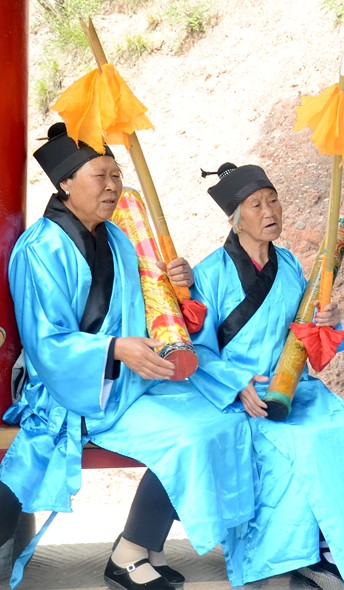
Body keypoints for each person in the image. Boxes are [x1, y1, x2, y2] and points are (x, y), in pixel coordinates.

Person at [0, 123, 257, 590]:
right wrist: (115, 348)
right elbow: (47, 343)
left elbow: (153, 307)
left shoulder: (119, 239)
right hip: (75, 392)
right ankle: (129, 556)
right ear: (65, 183)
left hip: (132, 378)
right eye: (100, 176)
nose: (113, 186)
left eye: (117, 175)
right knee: (189, 435)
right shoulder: (39, 248)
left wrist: (178, 285)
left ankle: (140, 544)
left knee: (224, 418)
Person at [181, 163, 344, 589]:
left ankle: (340, 548)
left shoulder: (291, 264)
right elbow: (198, 350)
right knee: (303, 445)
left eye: (274, 200)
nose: (270, 211)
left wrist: (327, 321)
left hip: (297, 388)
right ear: (234, 219)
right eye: (256, 205)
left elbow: (307, 337)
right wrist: (237, 385)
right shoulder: (209, 273)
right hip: (248, 394)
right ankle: (297, 554)